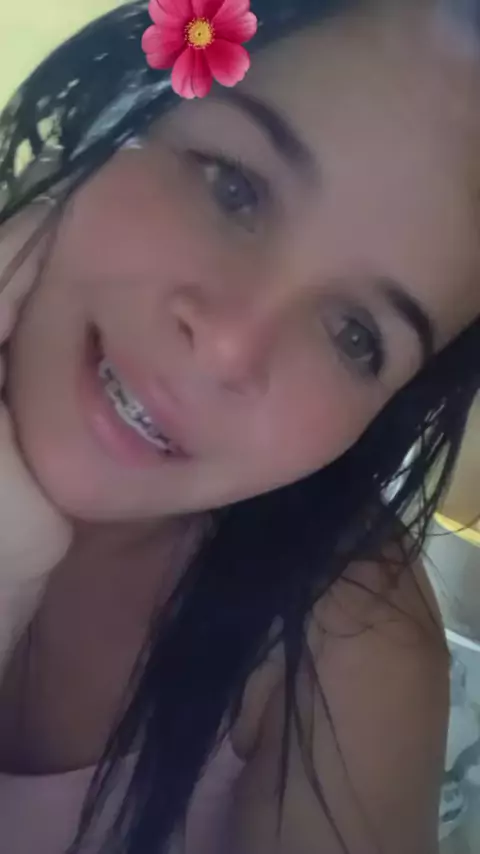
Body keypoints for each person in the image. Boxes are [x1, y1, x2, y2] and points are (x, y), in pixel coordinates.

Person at [0, 0, 478, 852]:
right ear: (126, 105)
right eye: (233, 187)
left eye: (355, 336)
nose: (228, 346)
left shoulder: (349, 653)